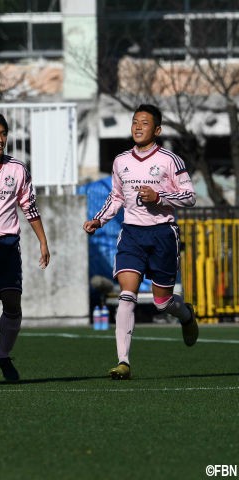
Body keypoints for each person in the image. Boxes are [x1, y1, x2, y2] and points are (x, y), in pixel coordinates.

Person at [83, 104, 198, 380]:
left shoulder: (171, 160)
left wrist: (159, 198)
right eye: (135, 122)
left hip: (163, 235)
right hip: (132, 234)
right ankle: (123, 362)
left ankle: (185, 315)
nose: (137, 127)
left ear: (156, 130)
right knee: (127, 295)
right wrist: (99, 220)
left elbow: (190, 197)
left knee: (162, 302)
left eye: (144, 123)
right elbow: (116, 197)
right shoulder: (121, 161)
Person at [0, 111, 50, 384]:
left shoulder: (17, 169)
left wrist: (42, 240)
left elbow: (29, 206)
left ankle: (3, 355)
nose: (0, 139)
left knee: (12, 303)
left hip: (8, 244)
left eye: (3, 133)